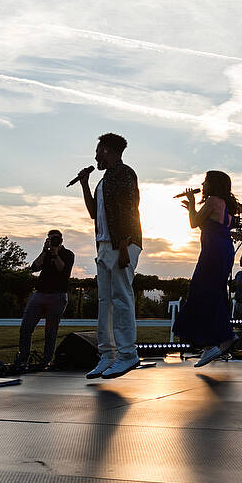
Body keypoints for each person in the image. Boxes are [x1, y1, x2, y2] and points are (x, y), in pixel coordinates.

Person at [75, 132, 142, 380]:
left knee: (121, 298)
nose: (95, 156)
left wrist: (124, 245)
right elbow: (94, 213)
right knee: (105, 301)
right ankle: (107, 354)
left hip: (121, 243)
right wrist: (84, 185)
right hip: (104, 244)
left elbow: (129, 209)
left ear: (107, 150)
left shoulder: (125, 173)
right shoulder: (103, 181)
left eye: (98, 151)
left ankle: (127, 354)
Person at [173, 171, 239, 367]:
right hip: (223, 250)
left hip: (213, 251)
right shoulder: (225, 204)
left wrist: (192, 204)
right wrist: (192, 209)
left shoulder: (211, 201)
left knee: (201, 292)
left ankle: (221, 338)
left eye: (205, 180)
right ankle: (216, 340)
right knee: (212, 292)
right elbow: (206, 225)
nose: (202, 183)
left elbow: (194, 224)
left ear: (212, 184)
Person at [16, 229, 75, 368]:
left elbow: (62, 269)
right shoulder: (46, 253)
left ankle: (46, 360)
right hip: (40, 293)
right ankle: (23, 357)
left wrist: (55, 254)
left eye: (55, 239)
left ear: (61, 240)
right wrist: (44, 251)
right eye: (50, 239)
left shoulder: (68, 254)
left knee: (51, 331)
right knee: (26, 327)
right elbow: (34, 267)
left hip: (57, 296)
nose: (53, 241)